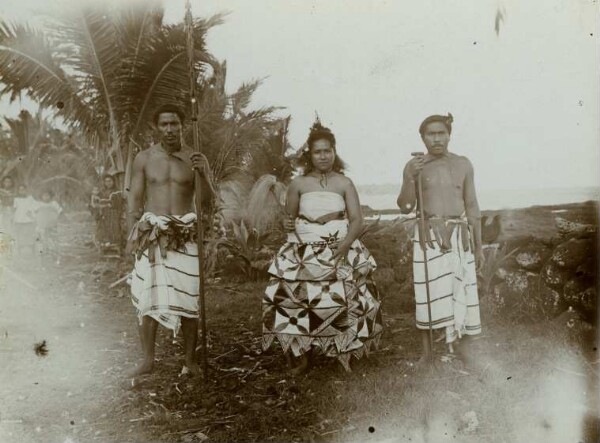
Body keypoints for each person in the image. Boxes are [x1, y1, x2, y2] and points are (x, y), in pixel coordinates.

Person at [262, 119, 383, 373]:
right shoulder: (299, 184)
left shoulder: (344, 183)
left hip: (340, 246)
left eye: (328, 150)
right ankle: (301, 353)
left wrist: (345, 245)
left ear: (334, 151)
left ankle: (344, 352)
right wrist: (286, 224)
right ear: (310, 154)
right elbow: (290, 218)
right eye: (318, 151)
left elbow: (357, 219)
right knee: (295, 299)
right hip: (305, 249)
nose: (323, 156)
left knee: (347, 299)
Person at [126, 103, 214, 377]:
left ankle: (190, 361)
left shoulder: (195, 158)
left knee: (189, 296)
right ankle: (148, 360)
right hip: (153, 233)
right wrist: (132, 234)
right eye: (163, 124)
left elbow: (206, 201)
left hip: (184, 233)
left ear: (183, 125)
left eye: (174, 123)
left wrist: (202, 173)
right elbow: (134, 200)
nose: (169, 129)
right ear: (156, 127)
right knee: (148, 296)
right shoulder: (143, 158)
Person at [397, 113, 484, 366]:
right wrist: (407, 177)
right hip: (429, 235)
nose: (437, 138)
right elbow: (405, 206)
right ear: (422, 138)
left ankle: (462, 346)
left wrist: (478, 247)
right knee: (427, 290)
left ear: (449, 134)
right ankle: (427, 352)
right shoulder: (416, 166)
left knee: (463, 288)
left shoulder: (464, 164)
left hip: (459, 236)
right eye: (431, 134)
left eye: (441, 133)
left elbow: (473, 206)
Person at [95, 175, 124, 254]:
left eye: (110, 181)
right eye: (106, 181)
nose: (108, 183)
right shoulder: (101, 192)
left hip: (114, 213)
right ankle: (105, 246)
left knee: (114, 228)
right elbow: (96, 202)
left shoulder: (117, 191)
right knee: (104, 228)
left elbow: (119, 203)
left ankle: (115, 246)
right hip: (104, 213)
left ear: (113, 182)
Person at [34, 190, 62, 266]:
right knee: (41, 244)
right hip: (41, 227)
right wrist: (36, 221)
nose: (46, 197)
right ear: (41, 196)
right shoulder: (38, 204)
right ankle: (41, 262)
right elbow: (32, 213)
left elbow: (60, 212)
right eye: (44, 195)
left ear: (51, 196)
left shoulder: (54, 204)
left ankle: (56, 260)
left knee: (53, 243)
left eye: (48, 195)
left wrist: (55, 219)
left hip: (52, 227)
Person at [12, 184, 38, 256]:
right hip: (19, 220)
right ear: (18, 191)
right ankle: (20, 250)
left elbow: (35, 207)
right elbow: (14, 209)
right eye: (20, 190)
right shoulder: (16, 199)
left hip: (28, 220)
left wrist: (31, 213)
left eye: (23, 189)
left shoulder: (30, 198)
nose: (21, 191)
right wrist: (13, 219)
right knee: (20, 236)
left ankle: (32, 250)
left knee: (30, 235)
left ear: (26, 190)